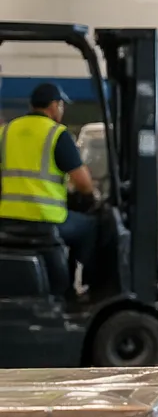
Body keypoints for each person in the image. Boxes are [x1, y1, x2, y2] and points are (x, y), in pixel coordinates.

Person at [0, 83, 99, 276]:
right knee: (90, 226)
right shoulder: (57, 134)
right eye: (61, 105)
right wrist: (89, 197)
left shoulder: (5, 132)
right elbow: (83, 183)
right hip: (45, 221)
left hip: (5, 220)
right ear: (54, 105)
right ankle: (79, 283)